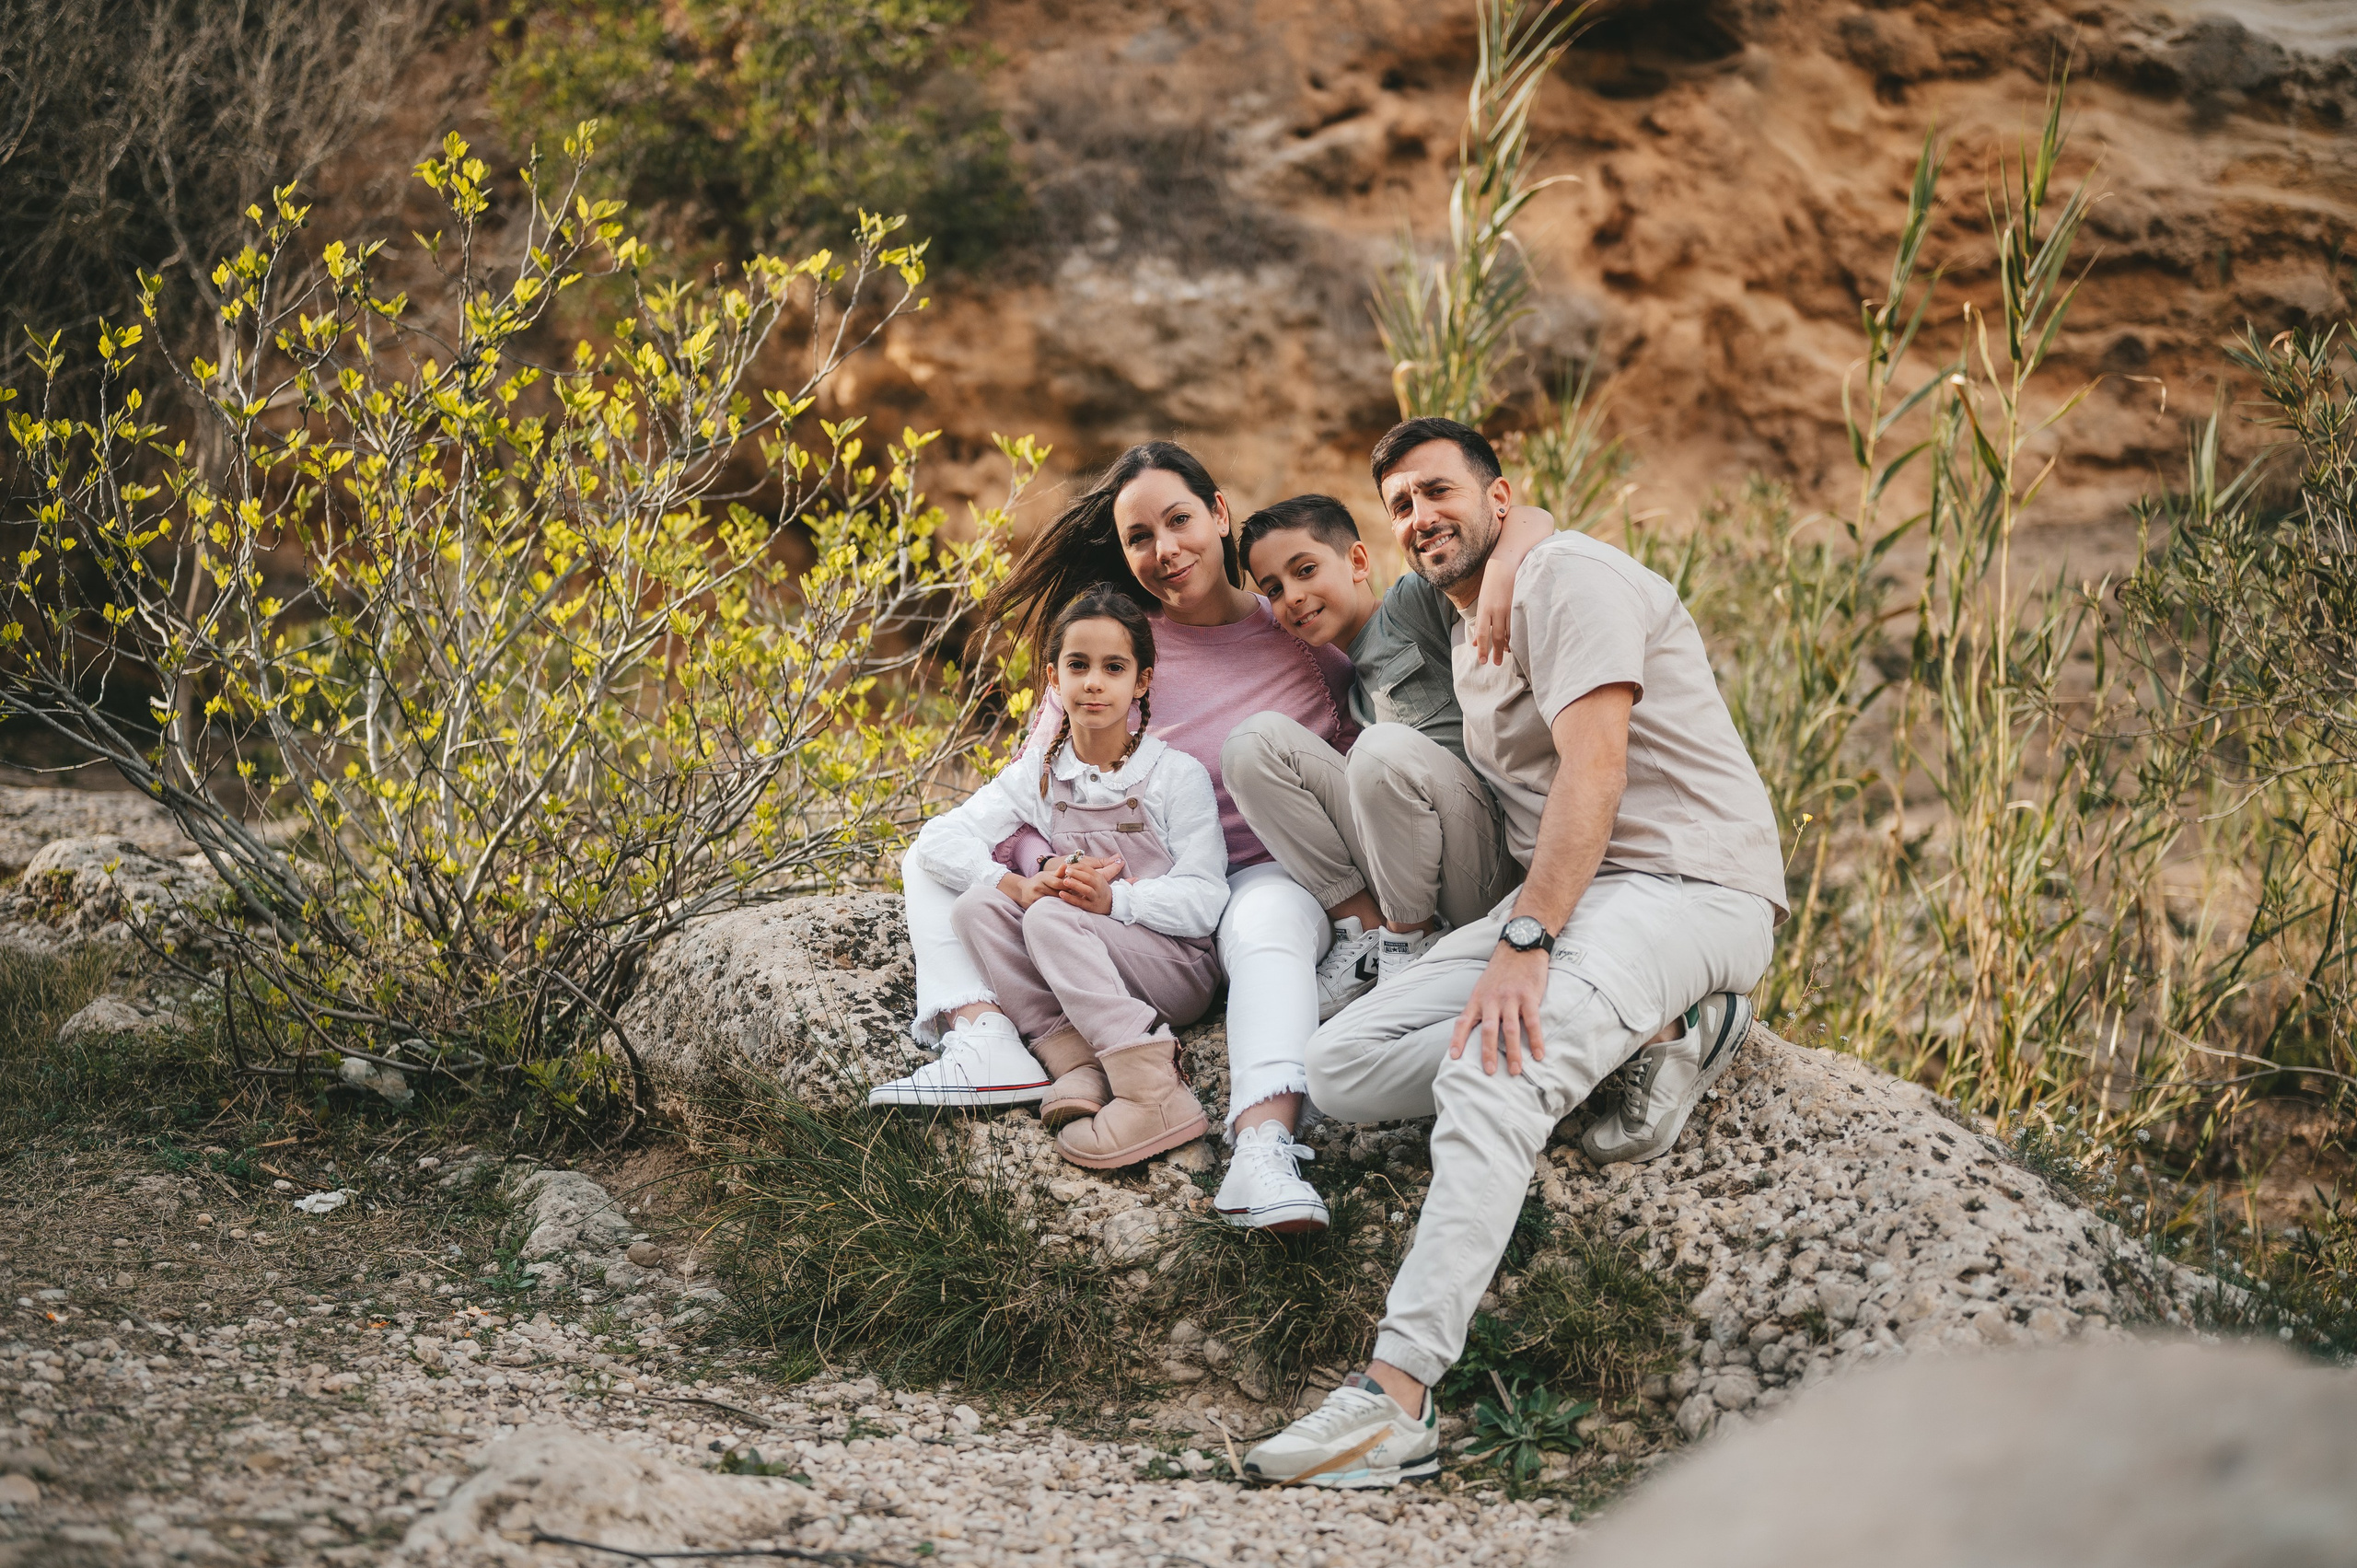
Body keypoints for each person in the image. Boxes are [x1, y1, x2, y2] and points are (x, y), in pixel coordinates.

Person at [1243, 418, 1784, 1489]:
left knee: (1490, 1070)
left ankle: (1394, 1400)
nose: (1417, 516)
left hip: (1681, 883)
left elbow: (1598, 769)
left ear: (1501, 497)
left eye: (1436, 490)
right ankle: (1661, 1032)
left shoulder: (1567, 577)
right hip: (1579, 899)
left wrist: (1526, 938)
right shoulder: (1456, 617)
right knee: (1340, 1068)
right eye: (1399, 503)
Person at [870, 442, 1354, 1231]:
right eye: (1139, 537)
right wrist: (1047, 868)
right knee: (932, 854)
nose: (1165, 550)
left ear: (1220, 514)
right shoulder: (1114, 653)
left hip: (1254, 876)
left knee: (1265, 924)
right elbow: (1037, 792)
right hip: (1115, 893)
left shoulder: (1303, 633)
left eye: (1180, 520)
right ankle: (982, 1032)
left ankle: (1262, 1151)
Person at [884, 587, 1227, 1167]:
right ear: (1053, 677)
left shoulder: (1174, 775)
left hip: (1173, 966)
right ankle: (1076, 1063)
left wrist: (1114, 900)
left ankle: (1155, 1092)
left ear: (1141, 682)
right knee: (977, 907)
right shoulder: (1042, 775)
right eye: (1078, 665)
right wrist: (1017, 885)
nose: (1094, 682)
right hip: (1080, 955)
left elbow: (1206, 899)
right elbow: (938, 841)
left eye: (1113, 668)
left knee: (1049, 916)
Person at [1222, 495, 1550, 1018]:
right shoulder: (1345, 681)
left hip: (1487, 865)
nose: (1294, 598)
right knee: (1250, 745)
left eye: (1305, 570)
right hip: (1409, 872)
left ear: (1356, 562)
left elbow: (1529, 517)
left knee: (1381, 750)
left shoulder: (1411, 606)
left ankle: (1407, 943)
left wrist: (1505, 567)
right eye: (1274, 590)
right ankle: (1366, 934)